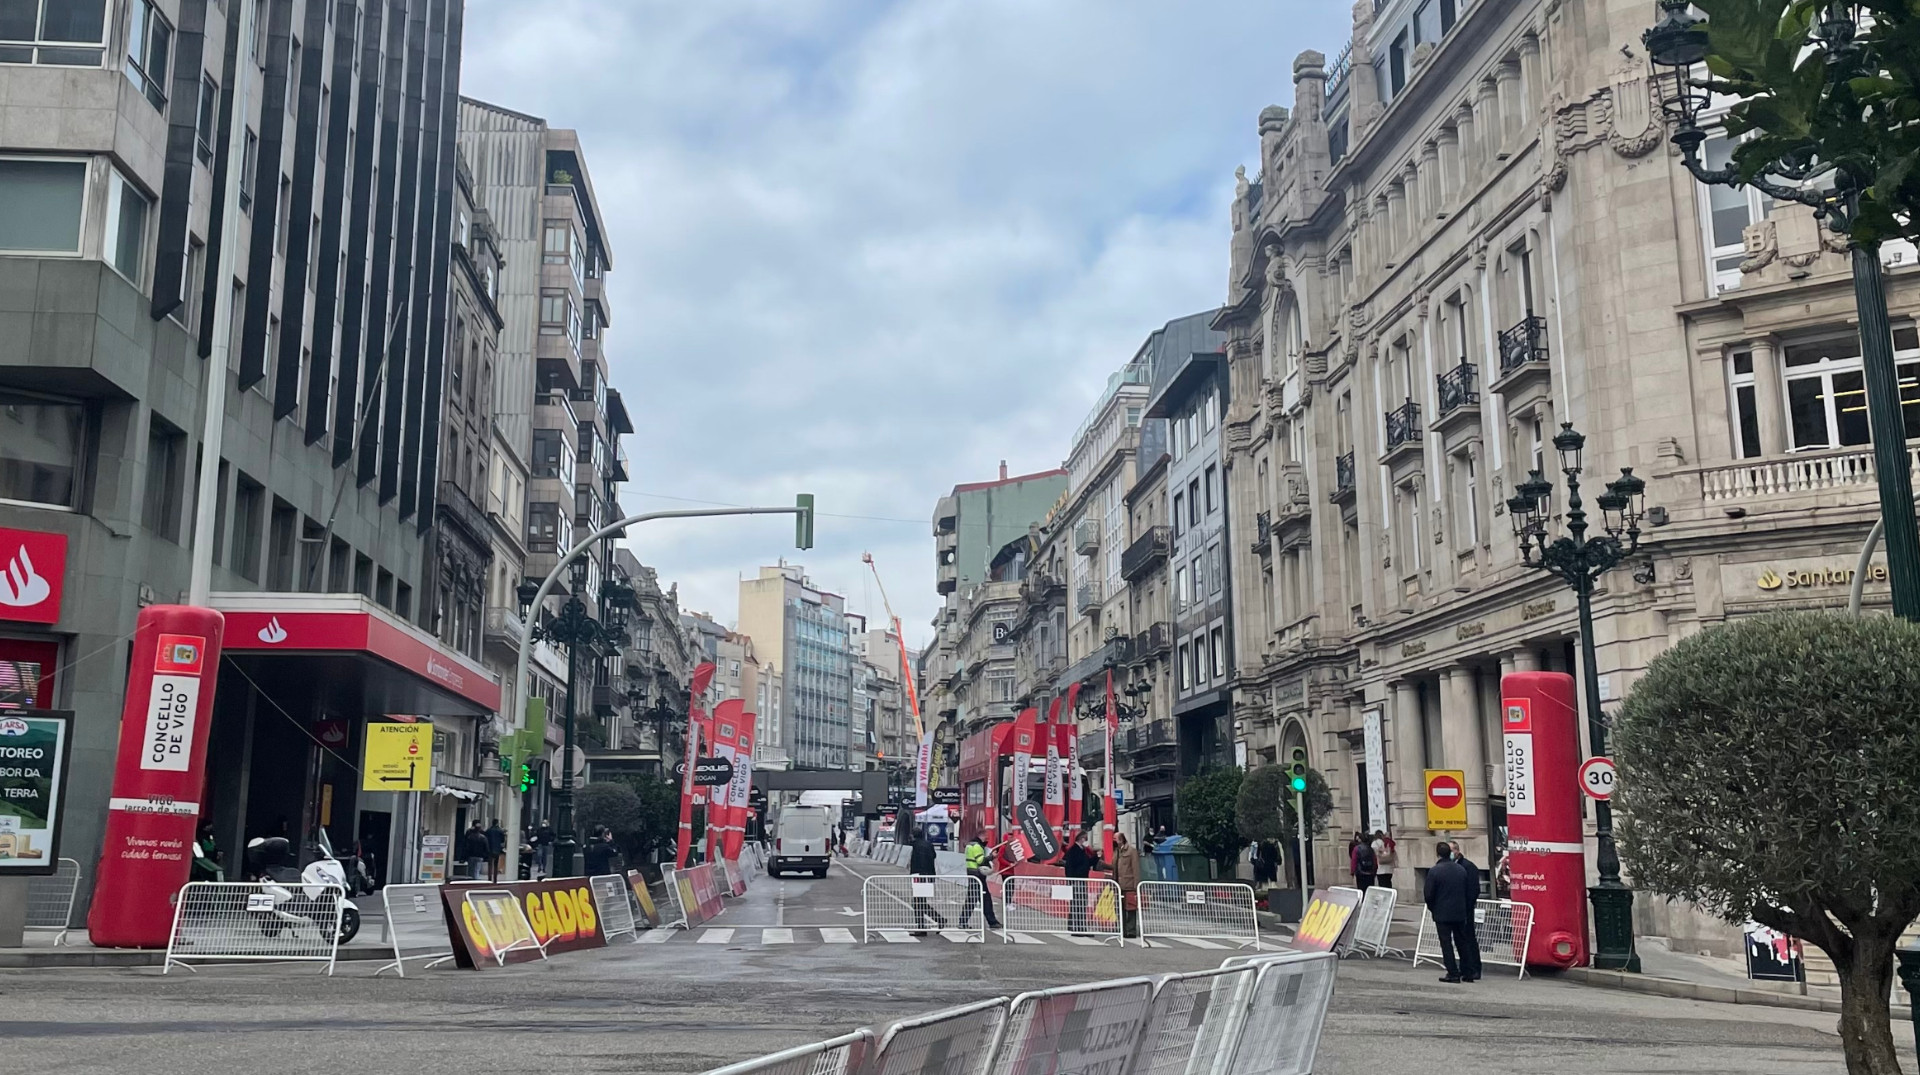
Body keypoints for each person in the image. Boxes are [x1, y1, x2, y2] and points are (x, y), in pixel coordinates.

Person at [1424, 841, 1481, 983]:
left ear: (1438, 854)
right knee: (1462, 941)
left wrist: (1433, 908)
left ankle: (1453, 972)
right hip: (1459, 912)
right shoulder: (1460, 870)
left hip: (1444, 913)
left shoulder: (1435, 871)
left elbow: (1429, 894)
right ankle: (1467, 971)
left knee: (1447, 943)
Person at [1451, 843, 1484, 982]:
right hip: (1455, 909)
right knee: (1460, 940)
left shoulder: (1468, 866)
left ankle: (1474, 968)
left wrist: (1467, 906)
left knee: (1469, 939)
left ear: (1458, 851)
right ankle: (1464, 967)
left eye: (1452, 850)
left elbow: (1473, 890)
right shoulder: (1451, 866)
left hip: (1465, 909)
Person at [908, 826, 948, 935]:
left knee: (918, 902)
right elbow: (934, 856)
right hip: (929, 875)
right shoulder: (928, 844)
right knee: (921, 902)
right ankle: (938, 920)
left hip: (919, 876)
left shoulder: (915, 845)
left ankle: (922, 927)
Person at [1061, 828, 1098, 935]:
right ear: (1082, 839)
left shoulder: (1080, 850)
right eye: (1086, 839)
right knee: (1079, 903)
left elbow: (1086, 863)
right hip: (1077, 880)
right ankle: (1077, 927)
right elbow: (1076, 866)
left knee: (1079, 904)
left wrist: (1095, 858)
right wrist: (1072, 880)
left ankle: (1077, 926)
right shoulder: (1075, 851)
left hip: (1079, 880)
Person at [959, 836, 1001, 930]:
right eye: (985, 837)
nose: (987, 839)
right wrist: (991, 857)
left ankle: (991, 921)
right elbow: (980, 861)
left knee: (974, 899)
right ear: (981, 838)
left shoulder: (970, 845)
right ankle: (991, 922)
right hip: (978, 875)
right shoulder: (977, 847)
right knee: (982, 900)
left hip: (972, 874)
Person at [1112, 832, 1141, 938]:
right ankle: (1122, 929)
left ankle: (1131, 930)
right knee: (1120, 908)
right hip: (1118, 884)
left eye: (1115, 838)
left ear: (1121, 839)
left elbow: (1135, 869)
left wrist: (1136, 885)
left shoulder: (1131, 851)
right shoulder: (1117, 851)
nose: (1113, 840)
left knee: (1131, 908)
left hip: (1129, 884)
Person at [485, 818, 506, 882]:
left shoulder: (488, 830)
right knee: (496, 864)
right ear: (497, 823)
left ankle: (489, 878)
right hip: (497, 849)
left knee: (490, 864)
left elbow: (486, 839)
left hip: (490, 849)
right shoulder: (500, 831)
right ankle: (495, 878)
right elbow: (503, 840)